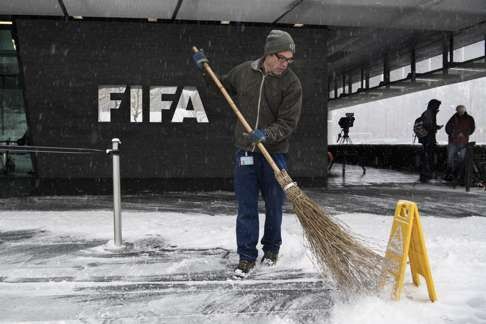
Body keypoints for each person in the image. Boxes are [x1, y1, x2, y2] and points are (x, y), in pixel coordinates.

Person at [193, 30, 302, 279]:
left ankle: (272, 250)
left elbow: (288, 123)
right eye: (282, 58)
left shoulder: (291, 83)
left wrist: (267, 133)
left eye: (289, 59)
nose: (286, 64)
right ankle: (246, 257)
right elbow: (220, 86)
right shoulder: (244, 72)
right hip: (245, 151)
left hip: (274, 153)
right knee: (246, 207)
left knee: (274, 205)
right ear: (269, 53)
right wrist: (204, 68)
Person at [444, 105, 475, 181]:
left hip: (462, 142)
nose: (460, 112)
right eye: (459, 111)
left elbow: (472, 129)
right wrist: (454, 134)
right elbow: (447, 128)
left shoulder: (469, 119)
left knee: (461, 159)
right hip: (453, 141)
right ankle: (451, 175)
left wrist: (464, 134)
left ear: (464, 111)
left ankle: (459, 175)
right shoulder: (453, 118)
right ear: (457, 111)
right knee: (450, 159)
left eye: (461, 111)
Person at [418, 99, 443, 183]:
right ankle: (427, 174)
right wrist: (436, 127)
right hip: (428, 139)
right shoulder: (429, 113)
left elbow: (428, 124)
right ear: (434, 105)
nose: (438, 107)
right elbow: (428, 125)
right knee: (428, 157)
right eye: (438, 105)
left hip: (426, 138)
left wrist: (435, 127)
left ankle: (425, 174)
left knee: (426, 156)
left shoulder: (428, 112)